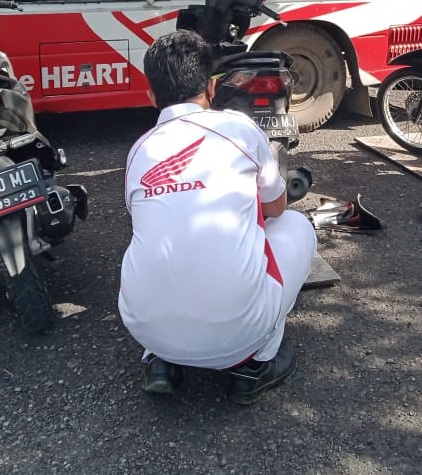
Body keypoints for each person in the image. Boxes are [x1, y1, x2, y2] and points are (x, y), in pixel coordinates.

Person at [118, 29, 318, 405]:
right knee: (297, 226)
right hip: (238, 337)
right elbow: (276, 208)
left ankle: (161, 360)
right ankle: (255, 366)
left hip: (147, 331)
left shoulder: (139, 150)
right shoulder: (238, 128)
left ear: (151, 97)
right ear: (211, 88)